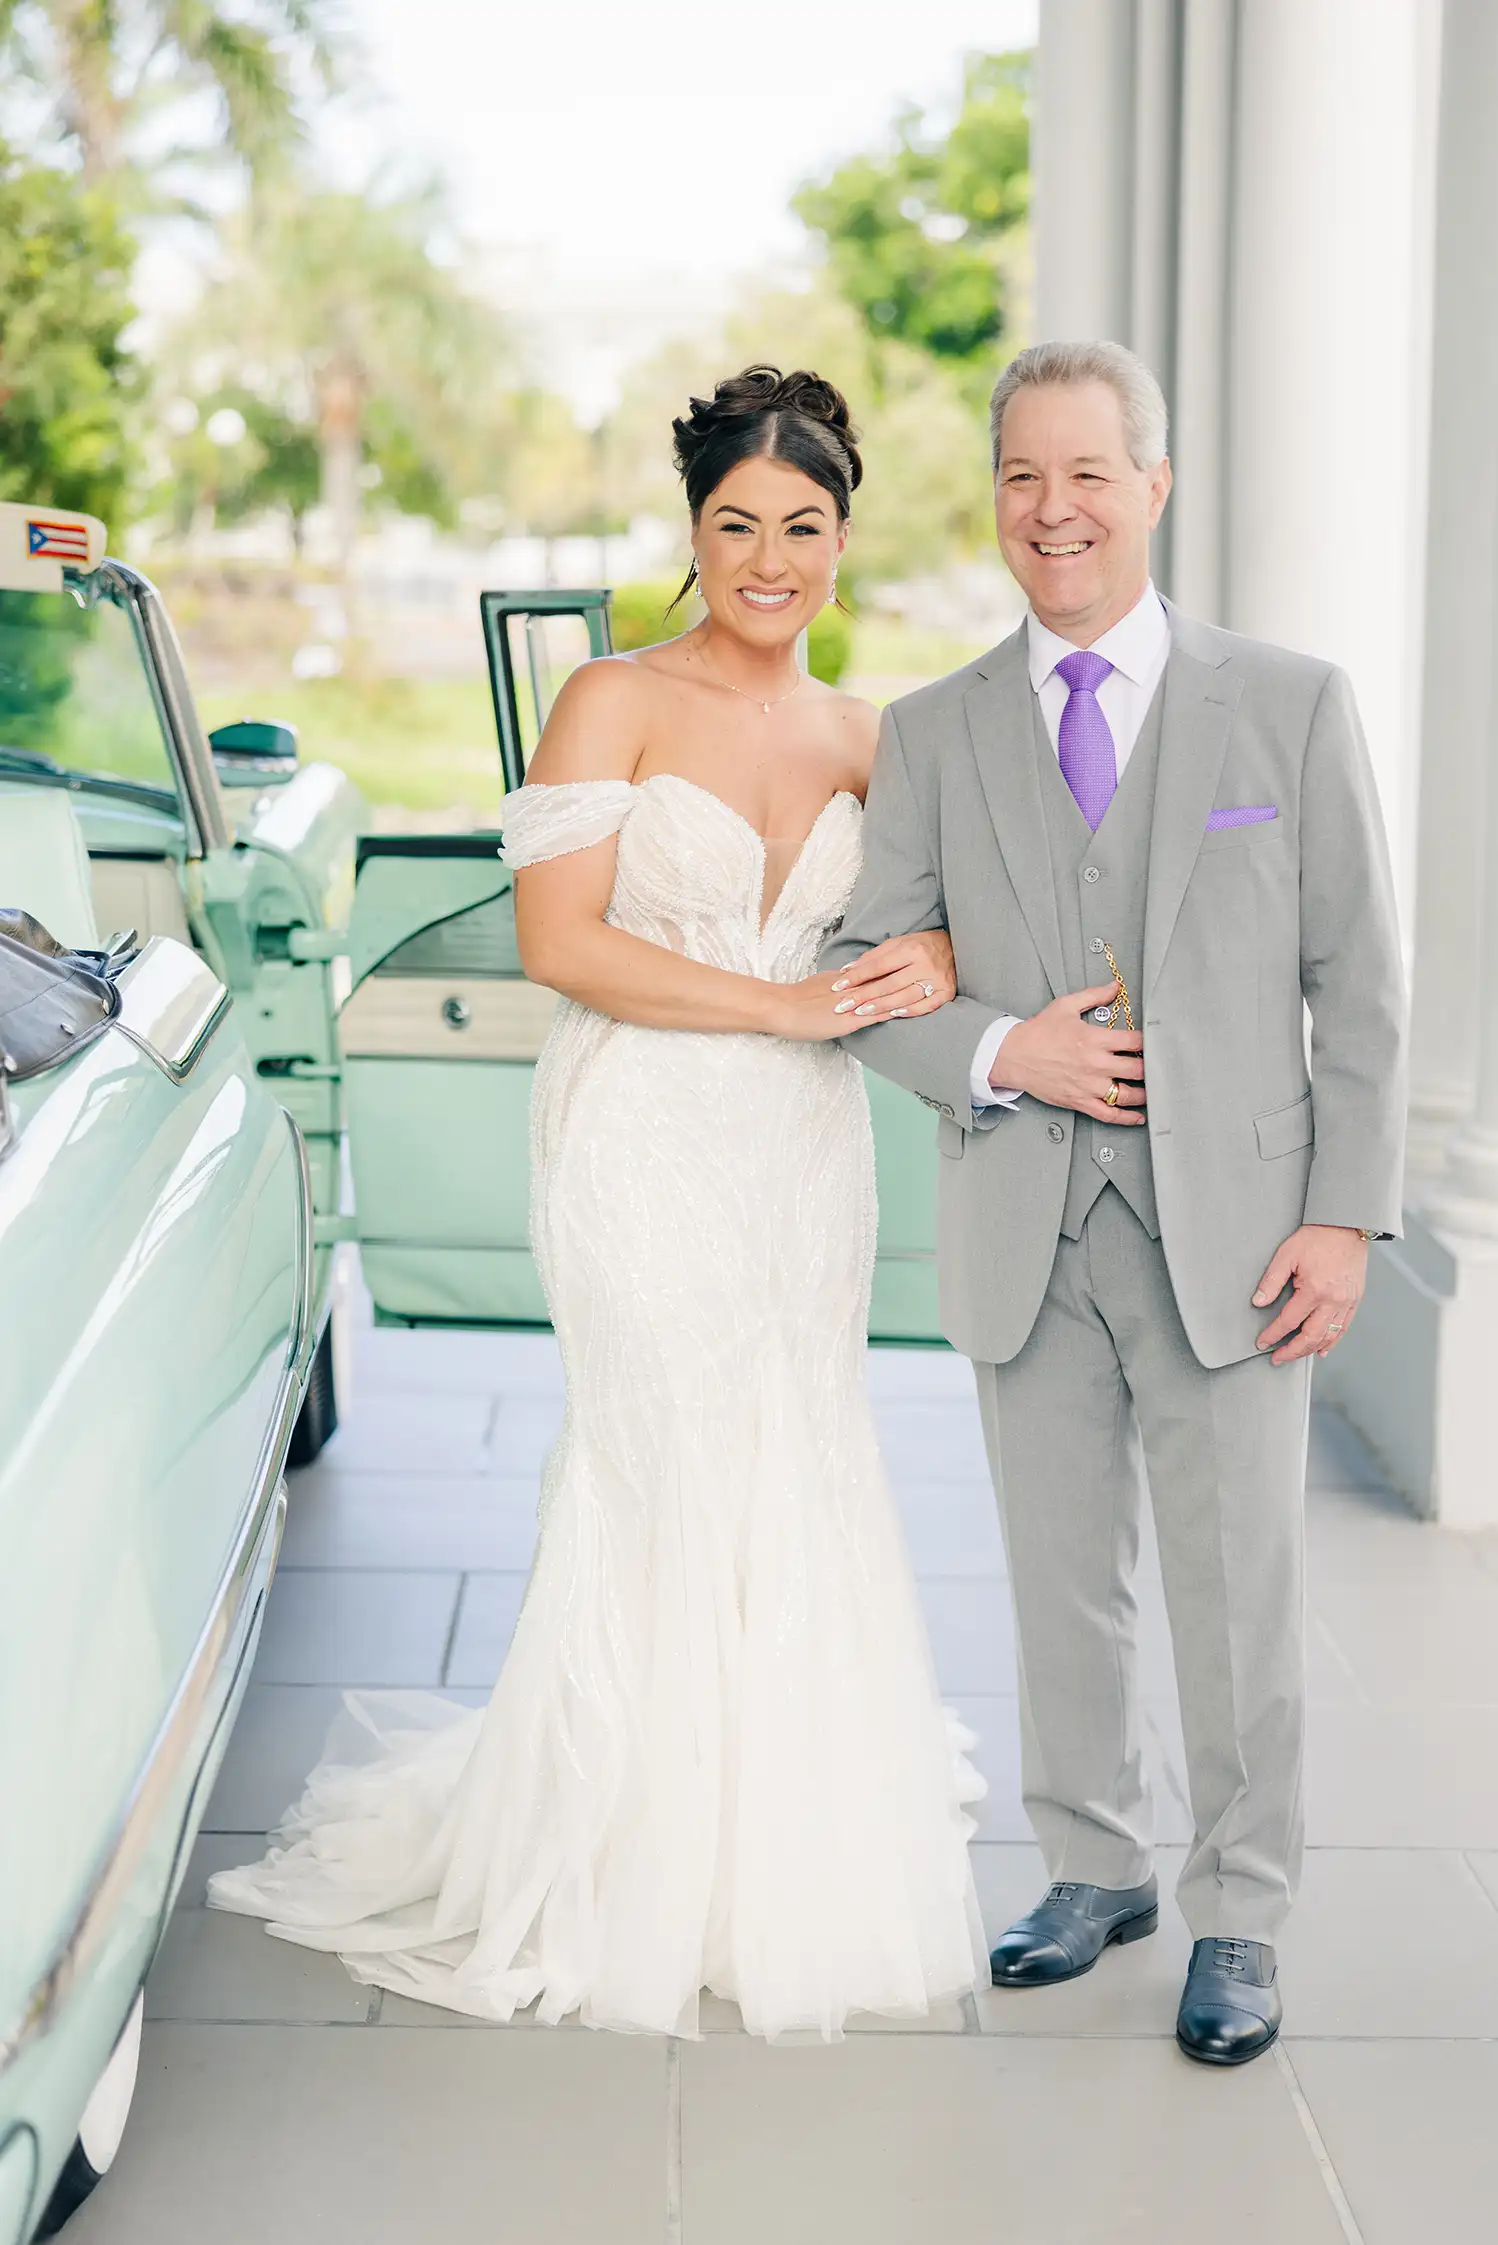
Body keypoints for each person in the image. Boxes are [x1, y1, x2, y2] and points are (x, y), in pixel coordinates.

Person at [209, 365, 988, 2041]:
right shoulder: (615, 703)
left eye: (802, 526)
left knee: (794, 1438)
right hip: (641, 1130)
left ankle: (758, 1846)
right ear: (691, 534)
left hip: (801, 1152)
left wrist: (920, 960)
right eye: (735, 525)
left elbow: (913, 940)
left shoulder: (875, 737)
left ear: (843, 540)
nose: (768, 558)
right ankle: (608, 1846)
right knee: (657, 1451)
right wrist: (785, 1008)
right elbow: (564, 945)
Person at [824, 339, 1406, 2066]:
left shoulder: (1284, 703)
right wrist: (1007, 1049)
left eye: (1087, 473)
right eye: (1020, 476)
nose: (1052, 508)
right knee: (1058, 1573)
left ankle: (1241, 1908)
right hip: (1026, 1216)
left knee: (1238, 1588)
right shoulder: (928, 732)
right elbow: (869, 970)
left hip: (1237, 1234)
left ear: (1153, 484)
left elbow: (1359, 984)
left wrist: (1343, 1215)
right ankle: (1093, 1864)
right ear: (991, 497)